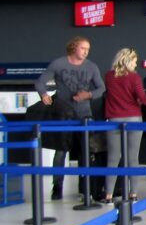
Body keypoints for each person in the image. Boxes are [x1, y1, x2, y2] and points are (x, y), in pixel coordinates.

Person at [34, 36, 105, 200]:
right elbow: (40, 82)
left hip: (84, 114)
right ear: (74, 48)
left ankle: (85, 187)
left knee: (86, 151)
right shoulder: (58, 64)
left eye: (88, 49)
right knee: (61, 151)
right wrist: (43, 94)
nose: (86, 52)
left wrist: (88, 94)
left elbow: (101, 88)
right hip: (63, 114)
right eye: (83, 48)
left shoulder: (91, 67)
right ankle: (57, 186)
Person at [103, 48, 146, 203]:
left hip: (113, 120)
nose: (136, 64)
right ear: (128, 60)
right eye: (135, 61)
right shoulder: (134, 77)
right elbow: (143, 99)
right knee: (132, 158)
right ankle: (133, 194)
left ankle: (108, 195)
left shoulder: (108, 76)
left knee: (113, 158)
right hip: (133, 120)